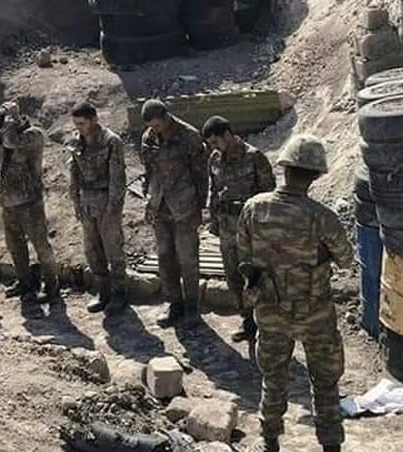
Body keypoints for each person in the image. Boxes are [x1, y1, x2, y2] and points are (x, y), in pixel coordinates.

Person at [237, 134, 364, 452]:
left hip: (271, 309)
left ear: (286, 169)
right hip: (314, 313)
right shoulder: (321, 217)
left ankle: (270, 449)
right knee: (324, 384)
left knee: (273, 377)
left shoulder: (254, 207)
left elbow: (244, 255)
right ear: (315, 175)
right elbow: (345, 259)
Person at [202, 115, 275, 342]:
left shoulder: (254, 157)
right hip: (226, 228)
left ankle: (265, 323)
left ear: (227, 135)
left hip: (250, 230)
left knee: (254, 276)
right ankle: (247, 321)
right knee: (232, 275)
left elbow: (269, 194)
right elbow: (215, 190)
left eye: (216, 141)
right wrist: (213, 220)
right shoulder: (214, 158)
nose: (213, 147)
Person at [0, 100, 58, 301]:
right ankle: (24, 281)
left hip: (30, 201)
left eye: (11, 121)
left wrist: (10, 119)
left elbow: (10, 142)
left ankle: (51, 284)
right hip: (9, 201)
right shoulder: (8, 132)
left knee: (41, 246)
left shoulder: (34, 135)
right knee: (15, 245)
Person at [140, 99, 207, 326]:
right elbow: (148, 171)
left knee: (188, 259)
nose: (154, 130)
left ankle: (192, 305)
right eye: (151, 126)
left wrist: (200, 207)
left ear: (167, 117)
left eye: (157, 125)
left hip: (185, 207)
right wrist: (147, 198)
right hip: (159, 207)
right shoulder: (148, 138)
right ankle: (174, 303)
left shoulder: (190, 137)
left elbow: (201, 176)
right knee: (165, 257)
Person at [67, 102, 128, 313]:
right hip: (86, 202)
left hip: (106, 202)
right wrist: (75, 200)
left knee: (113, 249)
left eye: (82, 123)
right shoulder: (76, 141)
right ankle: (103, 291)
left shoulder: (111, 141)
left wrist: (114, 208)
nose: (79, 128)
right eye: (76, 124)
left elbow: (117, 178)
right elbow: (73, 172)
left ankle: (120, 293)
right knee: (92, 249)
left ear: (94, 120)